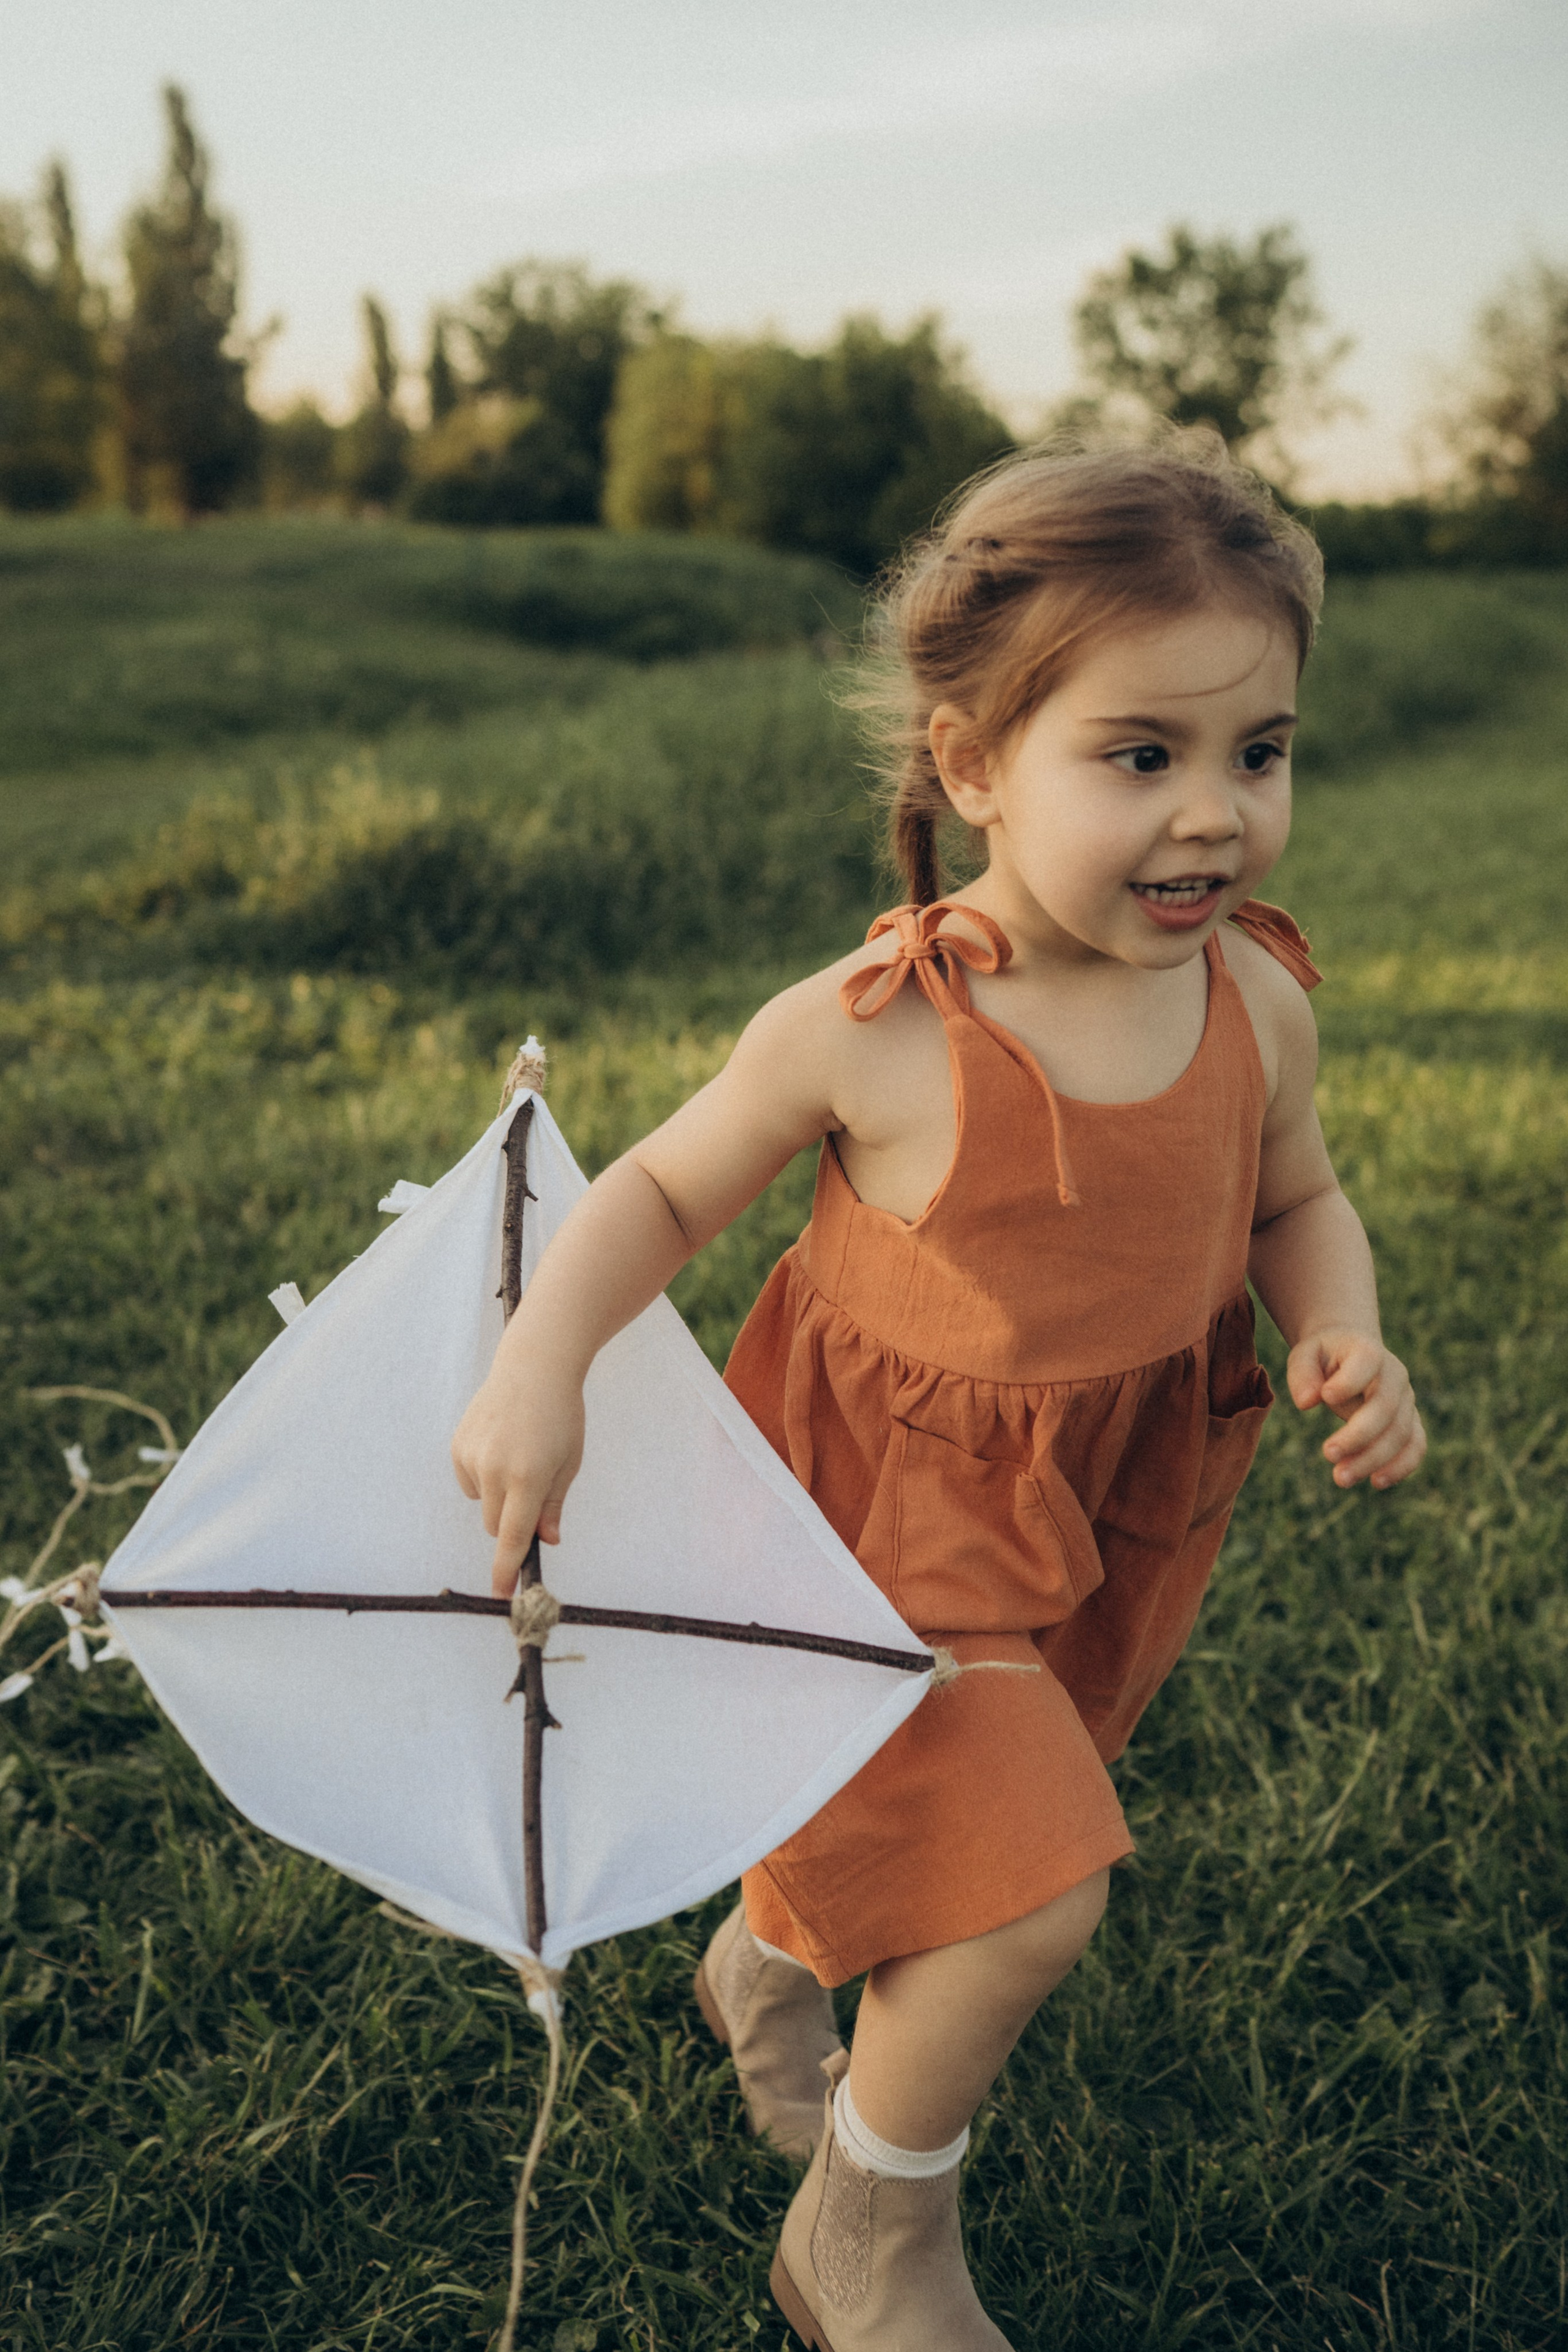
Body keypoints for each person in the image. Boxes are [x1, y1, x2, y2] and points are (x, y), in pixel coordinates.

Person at [451, 432, 1427, 2351]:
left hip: (1108, 1496)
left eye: (1262, 752)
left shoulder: (1257, 1001)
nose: (1215, 816)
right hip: (881, 1514)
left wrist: (1348, 1328)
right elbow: (657, 1187)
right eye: (1140, 756)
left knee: (947, 1818)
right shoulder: (886, 1026)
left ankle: (766, 1959)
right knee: (1028, 1884)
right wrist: (542, 1361)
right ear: (976, 766)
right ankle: (868, 2241)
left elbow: (1295, 1196)